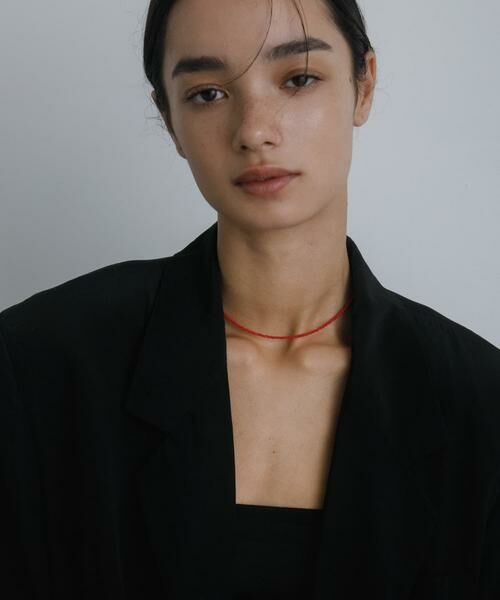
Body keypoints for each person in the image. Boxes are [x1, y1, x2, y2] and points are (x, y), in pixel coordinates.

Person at [1, 0, 499, 598]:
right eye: (207, 93)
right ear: (169, 119)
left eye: (299, 79)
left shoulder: (479, 402)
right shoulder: (37, 364)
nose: (254, 130)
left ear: (363, 85)